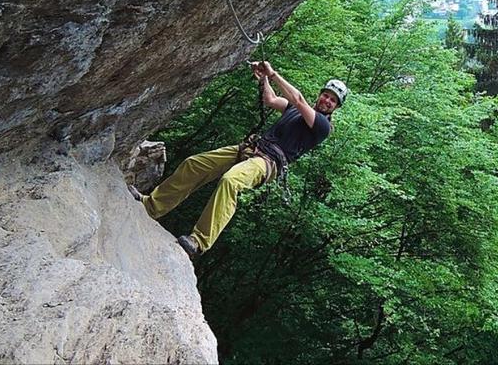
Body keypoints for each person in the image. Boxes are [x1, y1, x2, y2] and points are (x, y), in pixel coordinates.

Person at [128, 61, 347, 261]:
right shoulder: (294, 111)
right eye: (326, 95)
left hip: (267, 162)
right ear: (320, 95)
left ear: (335, 108)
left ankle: (199, 242)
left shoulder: (322, 126)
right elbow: (270, 100)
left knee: (230, 181)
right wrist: (263, 79)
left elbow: (298, 99)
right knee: (194, 164)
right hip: (251, 148)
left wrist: (273, 74)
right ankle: (151, 205)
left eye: (333, 100)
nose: (327, 101)